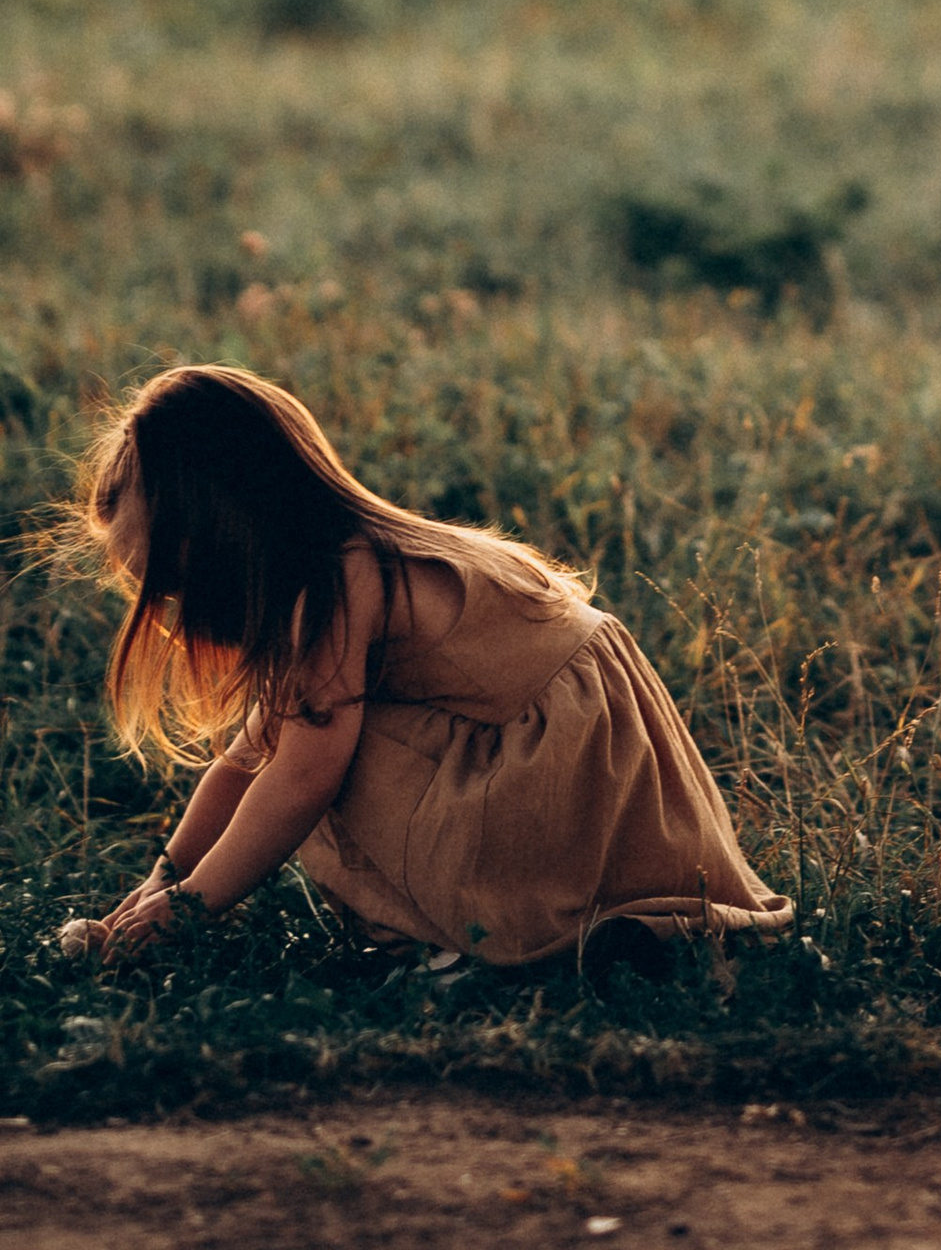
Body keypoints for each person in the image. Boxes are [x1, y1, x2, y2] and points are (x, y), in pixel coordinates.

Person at [56, 364, 792, 967]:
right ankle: (505, 925)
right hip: (584, 773)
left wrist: (189, 911)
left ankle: (463, 937)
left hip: (565, 784)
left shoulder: (337, 579)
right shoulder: (347, 554)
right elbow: (244, 761)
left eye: (176, 582)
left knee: (321, 752)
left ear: (223, 530)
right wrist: (163, 879)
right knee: (295, 736)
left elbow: (296, 779)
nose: (178, 612)